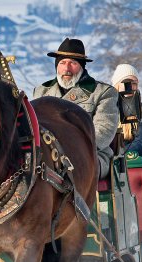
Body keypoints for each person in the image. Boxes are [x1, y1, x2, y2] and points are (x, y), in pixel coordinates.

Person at [33, 38, 119, 179]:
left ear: (82, 66)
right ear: (56, 66)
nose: (66, 69)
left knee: (72, 171)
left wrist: (71, 150)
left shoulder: (103, 92)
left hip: (91, 155)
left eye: (72, 63)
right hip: (48, 155)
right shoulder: (41, 91)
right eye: (62, 63)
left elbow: (104, 130)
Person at [111, 64, 142, 161]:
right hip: (111, 159)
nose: (131, 87)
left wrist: (121, 157)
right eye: (126, 82)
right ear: (117, 85)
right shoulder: (108, 109)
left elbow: (140, 142)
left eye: (134, 83)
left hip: (138, 159)